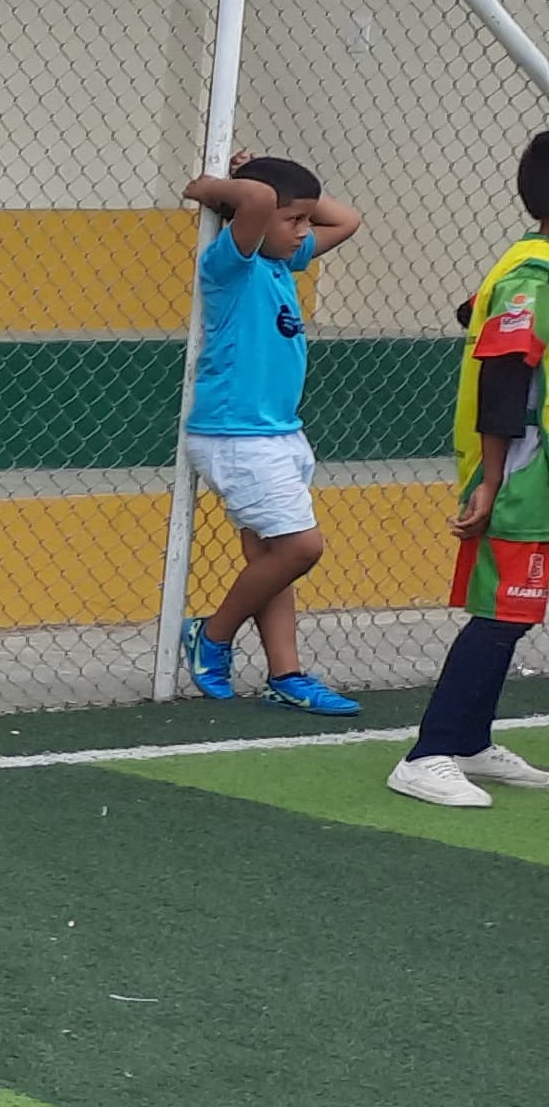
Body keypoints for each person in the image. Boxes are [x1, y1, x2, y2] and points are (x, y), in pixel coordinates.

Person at [386, 131, 549, 808]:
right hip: (523, 476)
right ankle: (428, 755)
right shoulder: (533, 275)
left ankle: (471, 741)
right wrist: (490, 480)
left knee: (517, 613)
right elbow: (504, 377)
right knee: (503, 613)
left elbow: (470, 312)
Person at [176, 150, 365, 714]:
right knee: (302, 547)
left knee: (272, 556)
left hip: (279, 434)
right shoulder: (231, 265)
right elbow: (258, 200)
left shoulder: (283, 260)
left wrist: (262, 171)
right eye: (295, 220)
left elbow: (346, 219)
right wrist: (218, 186)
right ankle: (212, 634)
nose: (305, 231)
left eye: (307, 220)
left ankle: (286, 674)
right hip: (236, 435)